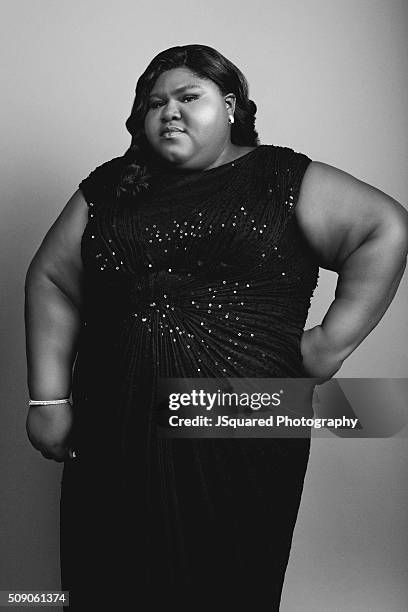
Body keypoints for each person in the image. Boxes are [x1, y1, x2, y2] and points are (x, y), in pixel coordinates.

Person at [24, 44, 408, 610]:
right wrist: (48, 398)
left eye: (188, 96)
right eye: (155, 102)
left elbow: (384, 228)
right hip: (114, 420)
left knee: (224, 580)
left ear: (230, 106)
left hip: (237, 419)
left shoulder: (279, 176)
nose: (169, 111)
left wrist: (330, 345)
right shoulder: (109, 187)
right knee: (107, 575)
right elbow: (51, 279)